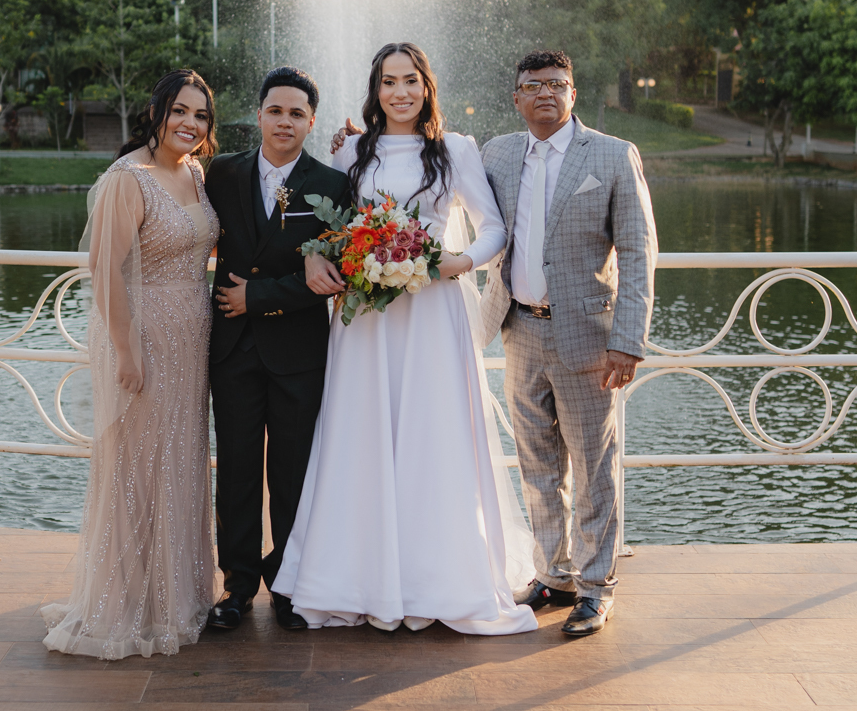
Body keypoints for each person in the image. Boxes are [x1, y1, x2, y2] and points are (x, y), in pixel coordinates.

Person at [273, 42, 537, 635]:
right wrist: (329, 256)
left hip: (434, 310)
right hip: (367, 316)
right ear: (376, 89)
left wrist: (459, 261)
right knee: (361, 434)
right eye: (389, 81)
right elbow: (328, 229)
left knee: (431, 435)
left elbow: (494, 227)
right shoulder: (351, 152)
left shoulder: (456, 150)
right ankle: (355, 578)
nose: (400, 92)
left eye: (410, 80)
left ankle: (437, 579)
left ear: (426, 86)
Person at [42, 69, 220, 659]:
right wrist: (126, 351)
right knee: (138, 468)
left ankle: (174, 596)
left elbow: (197, 242)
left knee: (179, 462)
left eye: (200, 115)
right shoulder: (128, 179)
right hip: (144, 340)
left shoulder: (193, 172)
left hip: (192, 341)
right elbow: (106, 271)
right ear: (156, 112)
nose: (189, 124)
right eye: (179, 111)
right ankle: (124, 605)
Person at [478, 50, 657, 637]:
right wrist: (355, 147)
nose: (546, 94)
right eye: (533, 85)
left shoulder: (610, 154)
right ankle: (553, 574)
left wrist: (628, 341)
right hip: (520, 331)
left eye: (558, 84)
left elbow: (637, 252)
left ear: (573, 94)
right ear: (517, 98)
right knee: (537, 464)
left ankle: (595, 586)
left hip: (588, 339)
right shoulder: (498, 153)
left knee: (593, 466)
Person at [203, 67, 351, 633]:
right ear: (259, 113)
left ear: (311, 121)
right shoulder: (221, 173)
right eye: (275, 110)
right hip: (234, 349)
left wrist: (258, 296)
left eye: (296, 113)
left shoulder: (333, 185)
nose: (284, 121)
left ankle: (289, 584)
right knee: (237, 470)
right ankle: (237, 586)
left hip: (298, 351)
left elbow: (337, 273)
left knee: (293, 474)